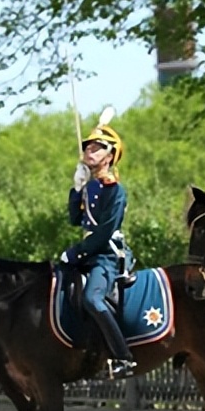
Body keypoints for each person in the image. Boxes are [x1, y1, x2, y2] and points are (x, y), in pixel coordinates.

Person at [60, 122, 137, 377]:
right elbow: (74, 219)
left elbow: (104, 232)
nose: (89, 151)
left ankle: (123, 357)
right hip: (88, 252)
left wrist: (76, 252)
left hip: (104, 254)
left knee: (92, 298)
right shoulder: (90, 187)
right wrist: (76, 189)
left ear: (110, 156)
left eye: (97, 147)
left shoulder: (116, 191)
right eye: (88, 147)